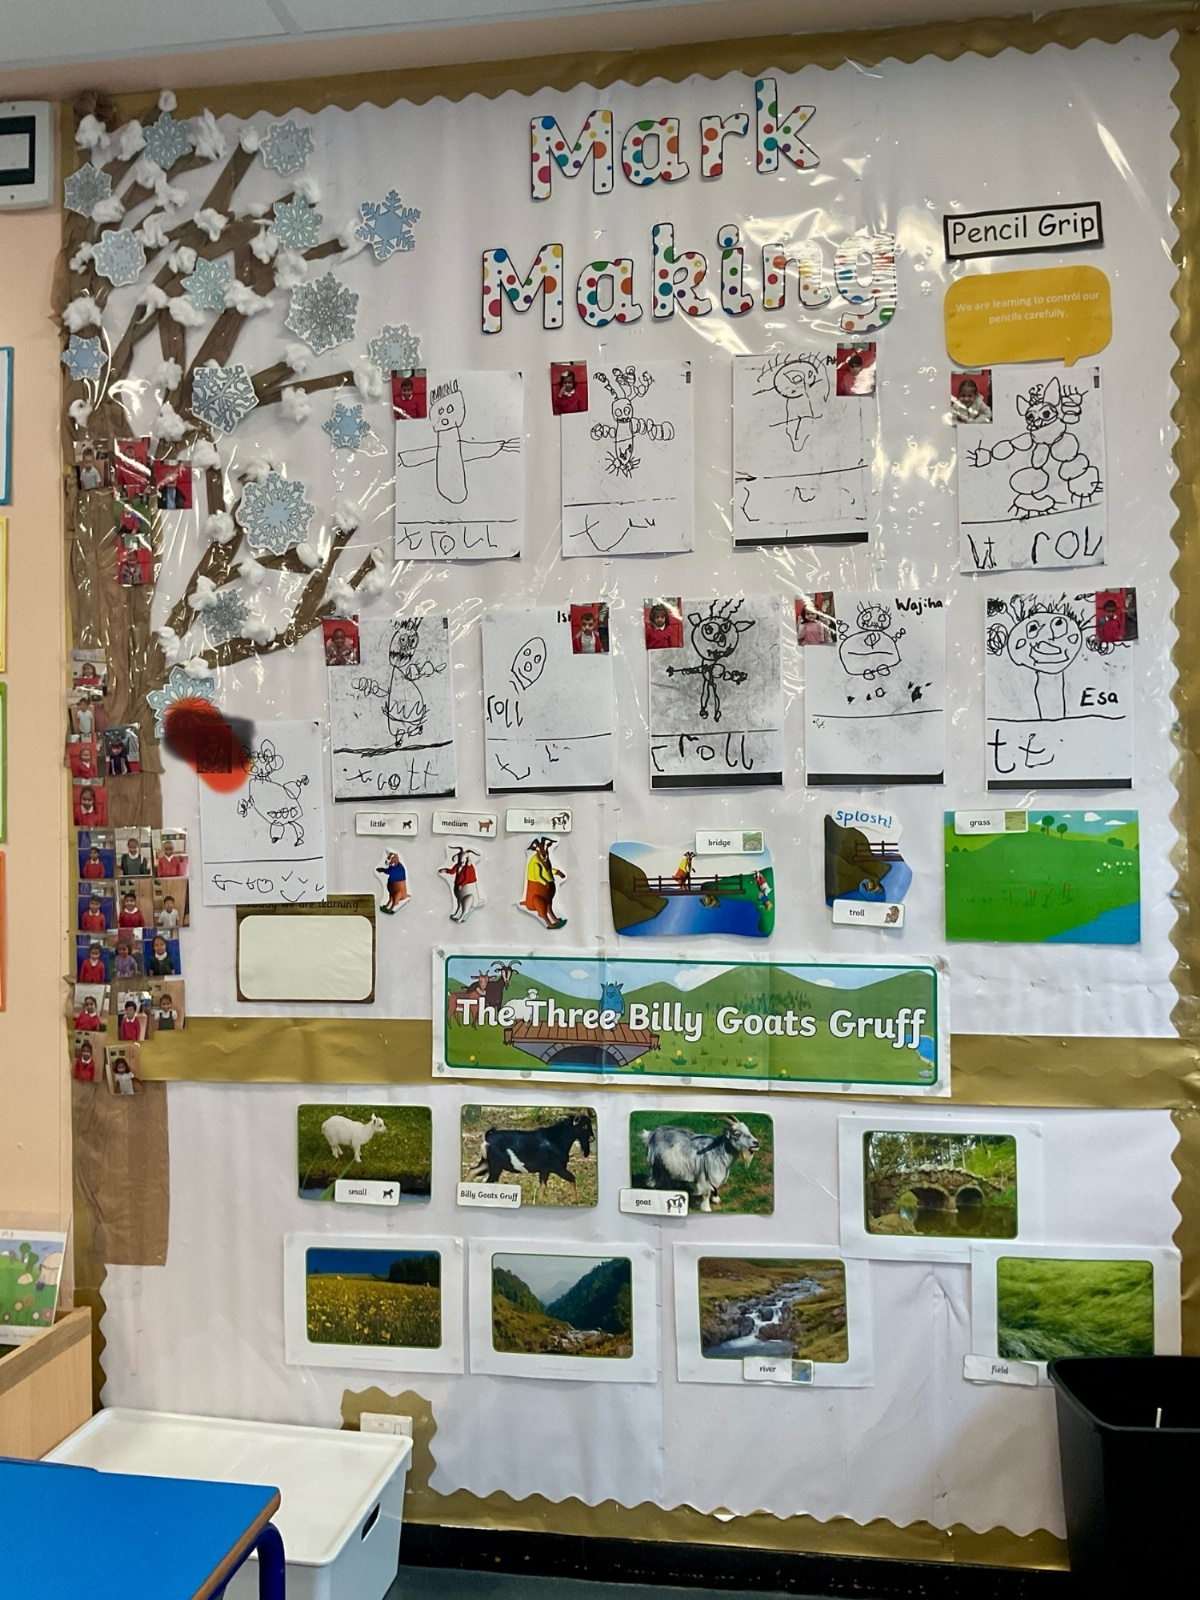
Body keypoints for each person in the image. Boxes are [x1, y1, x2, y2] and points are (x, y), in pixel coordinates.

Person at [521, 837, 566, 930]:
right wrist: (544, 882)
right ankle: (548, 922)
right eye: (539, 850)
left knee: (548, 903)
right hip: (538, 890)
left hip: (547, 890)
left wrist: (556, 872)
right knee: (540, 902)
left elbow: (547, 870)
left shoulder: (545, 860)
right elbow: (538, 876)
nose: (543, 853)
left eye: (545, 849)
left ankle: (554, 918)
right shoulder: (535, 862)